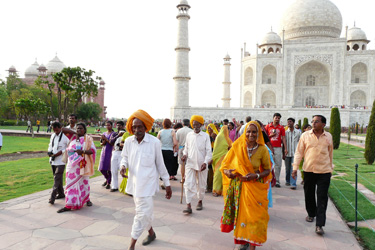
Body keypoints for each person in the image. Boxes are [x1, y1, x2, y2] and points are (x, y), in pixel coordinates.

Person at [120, 110, 172, 250]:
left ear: (146, 127)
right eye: (134, 127)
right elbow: (124, 157)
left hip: (148, 185)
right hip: (134, 184)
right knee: (143, 213)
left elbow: (160, 165)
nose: (137, 130)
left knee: (141, 214)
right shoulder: (129, 142)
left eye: (140, 127)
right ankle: (151, 233)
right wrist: (123, 166)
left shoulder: (154, 142)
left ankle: (131, 245)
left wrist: (167, 184)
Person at [220, 121, 272, 250]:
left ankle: (252, 244)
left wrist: (257, 175)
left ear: (258, 133)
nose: (251, 134)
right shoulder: (237, 146)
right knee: (241, 216)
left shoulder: (262, 149)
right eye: (248, 131)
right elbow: (225, 165)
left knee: (255, 217)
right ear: (244, 133)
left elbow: (267, 169)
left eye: (254, 132)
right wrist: (228, 173)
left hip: (254, 187)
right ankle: (243, 242)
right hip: (239, 187)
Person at [292, 115, 333, 235]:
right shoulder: (305, 135)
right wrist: (295, 168)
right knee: (309, 194)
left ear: (323, 124)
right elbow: (299, 152)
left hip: (324, 171)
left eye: (317, 121)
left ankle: (319, 224)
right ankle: (311, 213)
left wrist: (330, 168)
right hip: (309, 170)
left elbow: (330, 154)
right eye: (313, 121)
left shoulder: (328, 136)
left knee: (322, 197)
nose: (314, 123)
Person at [57, 122, 96, 213]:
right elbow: (62, 129)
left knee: (84, 183)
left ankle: (86, 199)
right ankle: (69, 204)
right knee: (70, 185)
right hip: (71, 166)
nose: (79, 130)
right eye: (77, 128)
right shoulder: (72, 137)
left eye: (81, 128)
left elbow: (92, 151)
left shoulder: (88, 139)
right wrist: (74, 133)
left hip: (82, 166)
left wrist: (82, 151)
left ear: (85, 130)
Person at [181, 115, 212, 214]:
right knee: (188, 183)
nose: (196, 126)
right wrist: (184, 155)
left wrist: (205, 162)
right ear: (192, 125)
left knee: (201, 185)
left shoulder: (205, 136)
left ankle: (200, 201)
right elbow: (186, 148)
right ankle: (188, 205)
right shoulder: (189, 135)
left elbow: (209, 151)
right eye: (194, 125)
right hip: (190, 163)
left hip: (202, 164)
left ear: (201, 125)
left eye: (198, 124)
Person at [47, 122, 70, 204]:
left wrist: (61, 152)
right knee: (57, 178)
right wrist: (49, 152)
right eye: (54, 130)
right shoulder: (53, 135)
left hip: (61, 161)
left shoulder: (65, 137)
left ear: (60, 128)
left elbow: (69, 148)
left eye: (57, 130)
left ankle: (52, 197)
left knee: (56, 178)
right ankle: (61, 193)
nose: (55, 131)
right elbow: (50, 145)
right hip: (53, 160)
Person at [265, 113, 287, 187]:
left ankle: (277, 181)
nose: (277, 119)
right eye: (276, 118)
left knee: (278, 164)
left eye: (278, 118)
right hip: (269, 148)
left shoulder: (281, 128)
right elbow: (265, 137)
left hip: (278, 147)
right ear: (273, 118)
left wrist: (285, 148)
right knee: (269, 164)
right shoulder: (268, 126)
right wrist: (271, 135)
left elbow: (283, 138)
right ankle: (269, 180)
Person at [212, 125, 232, 196]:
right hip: (218, 158)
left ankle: (221, 190)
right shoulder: (219, 137)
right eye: (227, 130)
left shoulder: (227, 138)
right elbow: (216, 148)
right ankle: (215, 190)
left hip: (225, 159)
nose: (228, 132)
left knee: (223, 174)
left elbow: (231, 146)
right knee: (218, 174)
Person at [99, 121, 117, 189]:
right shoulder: (104, 133)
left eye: (109, 125)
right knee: (102, 168)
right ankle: (107, 179)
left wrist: (106, 139)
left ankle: (108, 182)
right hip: (104, 152)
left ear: (112, 126)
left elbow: (112, 143)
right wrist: (103, 141)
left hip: (111, 152)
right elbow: (101, 144)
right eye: (106, 125)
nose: (107, 126)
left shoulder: (114, 134)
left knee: (109, 168)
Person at [284, 118, 301, 189]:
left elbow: (301, 142)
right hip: (287, 153)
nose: (289, 123)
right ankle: (288, 180)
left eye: (290, 122)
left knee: (294, 168)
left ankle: (293, 183)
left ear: (293, 123)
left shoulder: (298, 132)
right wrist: (283, 152)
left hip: (295, 153)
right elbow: (283, 143)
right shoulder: (285, 132)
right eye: (288, 122)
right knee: (287, 169)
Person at [109, 121, 126, 192]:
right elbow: (110, 142)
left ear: (123, 126)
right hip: (115, 152)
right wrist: (118, 135)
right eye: (117, 125)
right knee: (113, 169)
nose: (118, 127)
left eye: (120, 126)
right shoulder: (115, 134)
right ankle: (114, 186)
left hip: (123, 153)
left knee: (123, 170)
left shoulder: (126, 134)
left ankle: (125, 187)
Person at [176, 119, 193, 183]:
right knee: (189, 164)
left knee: (182, 164)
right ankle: (188, 178)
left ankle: (183, 178)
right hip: (189, 149)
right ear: (189, 124)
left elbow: (177, 141)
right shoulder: (191, 131)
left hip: (181, 148)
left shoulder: (179, 131)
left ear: (182, 124)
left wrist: (177, 150)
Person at [206, 123, 219, 193]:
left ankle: (211, 187)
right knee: (208, 172)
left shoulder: (216, 136)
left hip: (214, 155)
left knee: (212, 172)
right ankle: (208, 186)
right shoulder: (206, 135)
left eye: (210, 128)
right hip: (208, 155)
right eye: (208, 128)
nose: (209, 129)